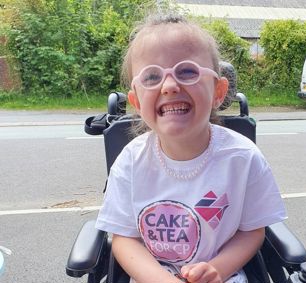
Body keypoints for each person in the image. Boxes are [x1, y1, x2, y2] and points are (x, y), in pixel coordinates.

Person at [96, 13, 287, 283]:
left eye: (187, 72)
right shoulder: (130, 162)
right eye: (152, 77)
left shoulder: (242, 159)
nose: (170, 86)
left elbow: (252, 231)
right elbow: (124, 239)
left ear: (218, 92)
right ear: (136, 102)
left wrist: (219, 268)